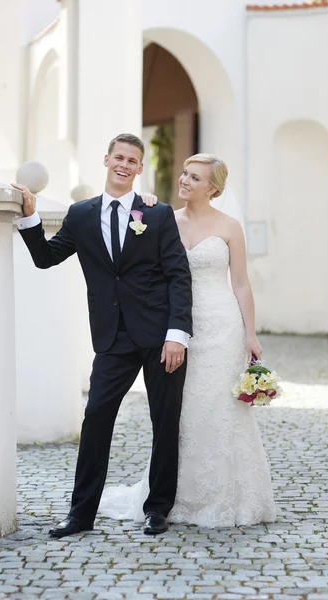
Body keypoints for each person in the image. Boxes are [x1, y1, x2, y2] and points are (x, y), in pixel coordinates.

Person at [12, 133, 193, 537]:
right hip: (112, 339)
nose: (124, 165)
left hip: (160, 334)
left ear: (140, 168)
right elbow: (46, 258)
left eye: (132, 160)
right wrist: (29, 216)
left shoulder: (156, 213)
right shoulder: (80, 214)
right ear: (106, 160)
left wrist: (177, 333)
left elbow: (178, 275)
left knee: (164, 421)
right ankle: (80, 515)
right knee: (95, 417)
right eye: (119, 157)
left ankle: (158, 508)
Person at [99, 153, 276, 528]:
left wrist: (250, 333)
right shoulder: (162, 218)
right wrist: (141, 205)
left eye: (195, 178)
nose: (184, 181)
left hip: (221, 326)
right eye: (184, 173)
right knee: (177, 412)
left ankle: (226, 496)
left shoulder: (229, 227)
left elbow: (241, 283)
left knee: (219, 409)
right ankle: (168, 496)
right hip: (175, 327)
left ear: (213, 188)